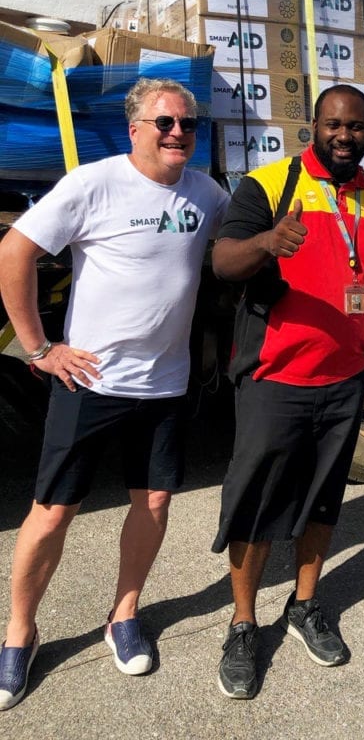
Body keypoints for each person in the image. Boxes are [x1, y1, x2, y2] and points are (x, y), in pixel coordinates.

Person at [0, 78, 230, 711]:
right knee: (52, 512)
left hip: (165, 386)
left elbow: (237, 244)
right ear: (136, 130)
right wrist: (40, 347)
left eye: (187, 123)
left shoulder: (205, 192)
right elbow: (14, 249)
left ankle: (123, 614)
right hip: (89, 381)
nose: (178, 132)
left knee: (154, 500)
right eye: (165, 123)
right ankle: (19, 632)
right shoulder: (93, 184)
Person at [211, 83, 364, 700]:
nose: (344, 136)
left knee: (323, 502)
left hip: (344, 381)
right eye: (333, 125)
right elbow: (224, 261)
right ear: (313, 126)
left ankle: (305, 605)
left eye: (356, 127)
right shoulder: (270, 186)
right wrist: (264, 243)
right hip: (274, 380)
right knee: (256, 505)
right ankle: (243, 623)